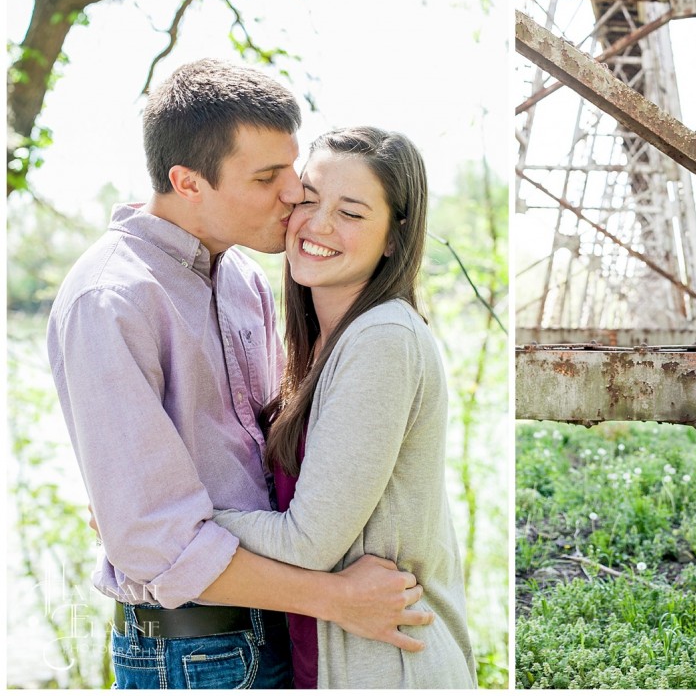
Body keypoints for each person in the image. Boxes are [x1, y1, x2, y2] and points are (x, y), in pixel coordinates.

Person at [47, 60, 431, 689]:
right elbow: (155, 541)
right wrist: (333, 598)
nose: (293, 196)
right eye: (266, 177)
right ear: (187, 182)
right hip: (192, 653)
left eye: (292, 170)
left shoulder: (243, 280)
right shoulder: (109, 302)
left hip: (284, 630)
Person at [211, 127, 476, 688]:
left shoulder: (383, 339)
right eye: (308, 199)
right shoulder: (325, 347)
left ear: (391, 240)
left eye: (351, 213)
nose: (319, 224)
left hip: (393, 669)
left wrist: (160, 517)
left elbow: (307, 542)